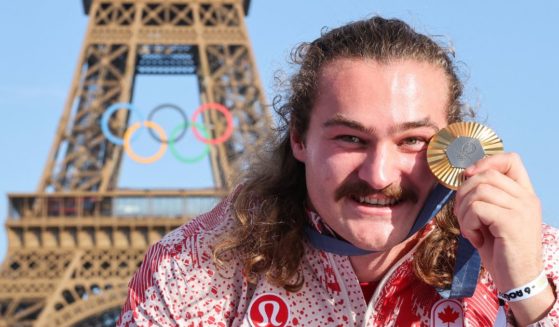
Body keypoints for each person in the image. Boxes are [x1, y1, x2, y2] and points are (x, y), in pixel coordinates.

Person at [117, 16, 559, 326]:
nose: (379, 175)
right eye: (351, 138)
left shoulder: (540, 257)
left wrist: (528, 293)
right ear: (298, 139)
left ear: (455, 143)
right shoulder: (192, 267)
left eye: (412, 141)